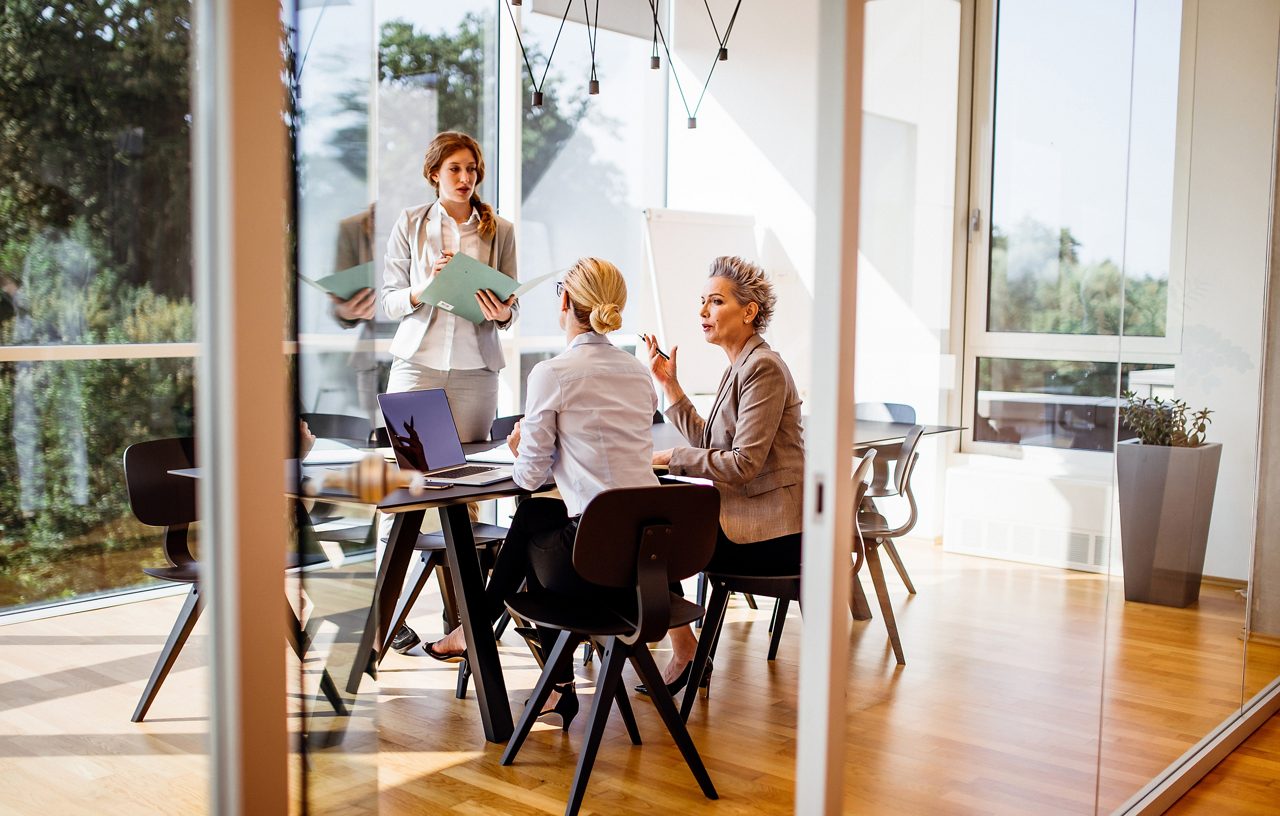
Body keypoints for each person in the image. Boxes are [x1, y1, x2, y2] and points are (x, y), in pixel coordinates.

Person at [420, 257, 659, 728]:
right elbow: (605, 449)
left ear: (565, 302)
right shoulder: (638, 373)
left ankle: (476, 632)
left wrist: (526, 445)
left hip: (591, 567)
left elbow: (528, 478)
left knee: (530, 523)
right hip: (648, 562)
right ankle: (546, 682)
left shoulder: (553, 373)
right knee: (538, 526)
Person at [641, 256, 805, 694]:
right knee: (648, 535)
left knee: (647, 544)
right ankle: (684, 649)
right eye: (702, 302)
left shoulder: (762, 367)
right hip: (749, 526)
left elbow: (742, 464)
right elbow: (713, 446)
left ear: (748, 311)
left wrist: (672, 457)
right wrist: (670, 387)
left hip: (770, 538)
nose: (702, 313)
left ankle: (684, 651)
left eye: (715, 302)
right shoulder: (739, 366)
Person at [381, 131, 518, 443]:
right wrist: (428, 285)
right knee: (413, 472)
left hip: (476, 373)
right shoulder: (410, 221)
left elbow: (513, 306)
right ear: (434, 174)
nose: (465, 177)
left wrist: (502, 313)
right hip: (416, 366)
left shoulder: (502, 230)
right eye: (454, 168)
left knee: (470, 471)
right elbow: (389, 301)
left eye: (471, 169)